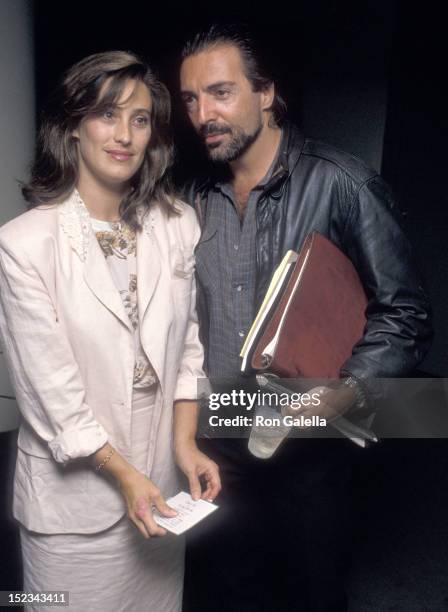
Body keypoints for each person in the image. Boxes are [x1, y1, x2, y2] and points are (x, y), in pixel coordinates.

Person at [178, 25, 432, 611]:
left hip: (309, 448)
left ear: (266, 92)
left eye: (220, 92)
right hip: (217, 441)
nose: (202, 114)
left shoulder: (341, 183)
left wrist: (341, 393)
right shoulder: (188, 198)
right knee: (226, 589)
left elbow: (407, 314)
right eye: (190, 99)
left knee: (311, 592)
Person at [0, 50, 220, 612]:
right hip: (75, 502)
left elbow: (188, 352)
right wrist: (123, 474)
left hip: (160, 484)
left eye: (140, 119)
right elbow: (52, 394)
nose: (123, 135)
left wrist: (185, 443)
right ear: (73, 125)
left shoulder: (177, 224)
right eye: (106, 114)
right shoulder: (24, 244)